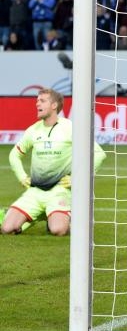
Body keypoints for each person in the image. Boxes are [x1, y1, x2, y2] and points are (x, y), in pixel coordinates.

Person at [0, 88, 107, 236]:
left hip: (59, 191)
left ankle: (66, 217)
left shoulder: (70, 128)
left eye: (42, 101)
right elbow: (14, 155)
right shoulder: (33, 130)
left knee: (58, 230)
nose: (37, 104)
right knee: (6, 229)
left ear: (54, 105)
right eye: (37, 101)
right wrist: (22, 177)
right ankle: (39, 215)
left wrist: (78, 179)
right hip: (35, 192)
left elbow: (99, 154)